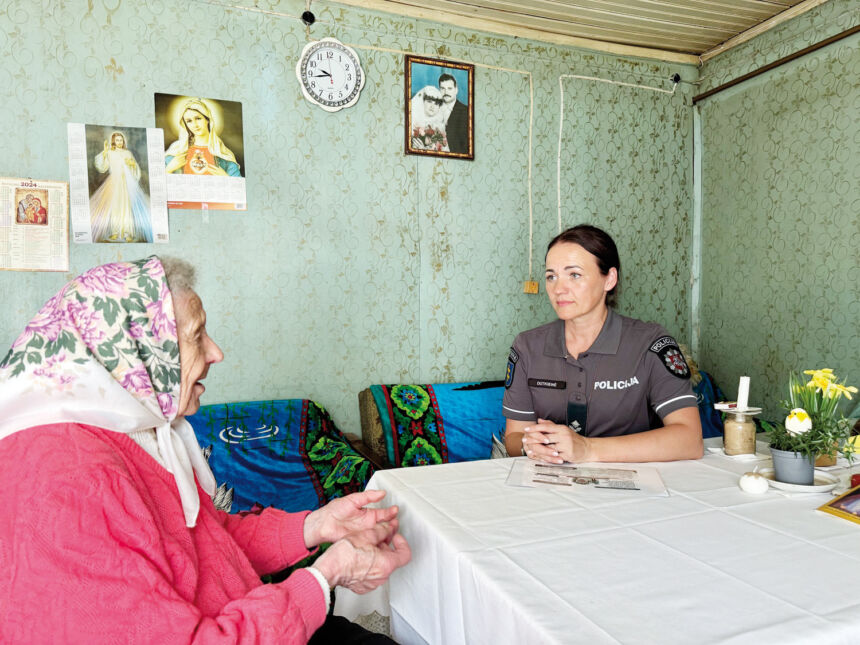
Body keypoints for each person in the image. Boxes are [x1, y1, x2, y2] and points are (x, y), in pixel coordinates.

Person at [0, 256, 410, 643]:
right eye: (196, 335)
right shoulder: (67, 483)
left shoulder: (124, 429)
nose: (216, 352)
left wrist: (318, 526)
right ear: (135, 352)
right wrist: (327, 573)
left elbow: (206, 541)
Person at [503, 224, 703, 464]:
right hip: (554, 486)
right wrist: (530, 445)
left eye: (574, 275)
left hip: (637, 488)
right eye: (551, 276)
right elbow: (514, 437)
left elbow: (690, 440)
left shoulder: (651, 343)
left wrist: (587, 449)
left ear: (609, 279)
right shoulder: (527, 347)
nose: (558, 289)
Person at [89, 131, 153, 243]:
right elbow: (102, 167)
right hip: (114, 182)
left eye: (121, 140)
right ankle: (115, 232)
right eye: (117, 140)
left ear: (123, 141)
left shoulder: (127, 153)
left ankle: (128, 232)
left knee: (126, 207)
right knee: (115, 207)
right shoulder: (110, 152)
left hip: (126, 182)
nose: (119, 142)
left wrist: (132, 165)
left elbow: (135, 169)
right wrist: (104, 152)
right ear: (113, 141)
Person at [165, 98, 241, 177]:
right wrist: (169, 169)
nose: (195, 125)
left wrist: (225, 177)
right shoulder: (176, 151)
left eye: (198, 118)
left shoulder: (223, 154)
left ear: (207, 119)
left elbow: (240, 186)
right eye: (189, 121)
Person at [410, 86, 449, 152]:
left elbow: (446, 152)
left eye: (436, 104)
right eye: (429, 101)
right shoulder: (412, 122)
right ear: (423, 102)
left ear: (439, 107)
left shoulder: (440, 127)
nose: (432, 106)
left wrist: (424, 150)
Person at [438, 73, 469, 154]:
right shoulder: (434, 108)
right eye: (442, 88)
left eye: (449, 88)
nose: (446, 92)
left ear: (456, 90)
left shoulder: (466, 111)